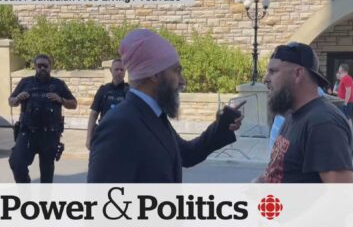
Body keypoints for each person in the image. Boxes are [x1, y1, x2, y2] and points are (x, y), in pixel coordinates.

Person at [87, 29, 244, 183]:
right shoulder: (118, 125)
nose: (182, 81)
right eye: (176, 71)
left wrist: (222, 126)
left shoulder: (153, 115)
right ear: (154, 74)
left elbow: (187, 154)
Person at [255, 42, 353, 183]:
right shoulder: (292, 115)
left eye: (273, 71)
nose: (265, 79)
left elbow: (342, 196)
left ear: (298, 74)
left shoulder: (323, 123)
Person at [8, 54, 77, 183]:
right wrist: (17, 99)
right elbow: (11, 101)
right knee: (17, 163)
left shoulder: (58, 84)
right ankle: (26, 197)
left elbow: (74, 104)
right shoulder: (25, 82)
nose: (42, 68)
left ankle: (44, 202)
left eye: (45, 66)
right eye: (39, 66)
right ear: (35, 67)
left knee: (47, 174)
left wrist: (61, 99)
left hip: (49, 135)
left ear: (50, 67)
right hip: (27, 133)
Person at [86, 59, 129, 149]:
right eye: (116, 69)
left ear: (125, 71)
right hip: (105, 135)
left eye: (122, 70)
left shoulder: (130, 91)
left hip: (124, 136)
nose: (119, 72)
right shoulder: (103, 90)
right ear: (111, 70)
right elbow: (93, 114)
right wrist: (89, 137)